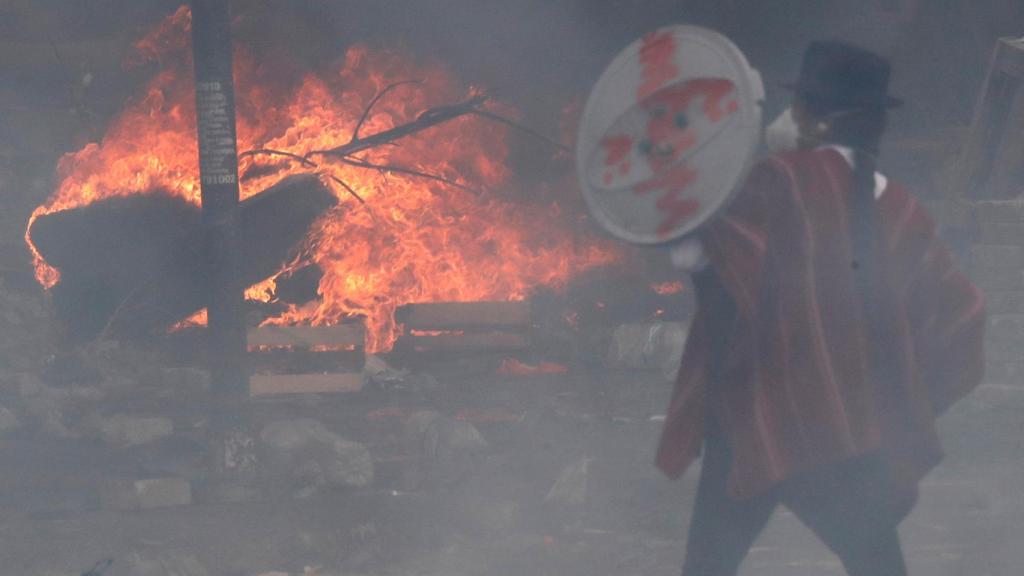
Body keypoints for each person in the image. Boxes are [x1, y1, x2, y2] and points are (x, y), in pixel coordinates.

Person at [656, 41, 986, 576]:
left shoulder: (779, 179)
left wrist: (690, 186)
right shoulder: (903, 209)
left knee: (708, 567)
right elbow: (961, 316)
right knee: (877, 565)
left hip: (753, 418)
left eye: (801, 106)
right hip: (843, 426)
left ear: (817, 120)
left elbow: (701, 257)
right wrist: (903, 403)